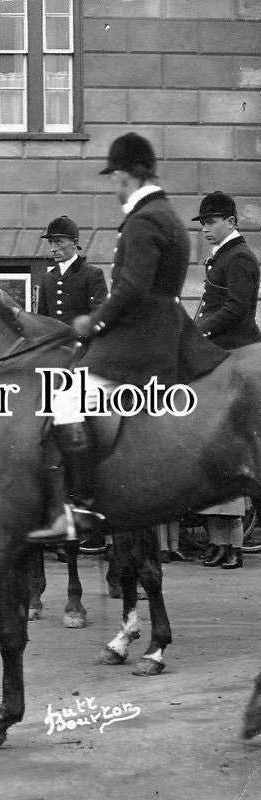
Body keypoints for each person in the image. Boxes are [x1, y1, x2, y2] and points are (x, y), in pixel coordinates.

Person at [29, 132, 228, 543]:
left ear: (125, 175)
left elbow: (131, 290)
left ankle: (80, 506)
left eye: (115, 177)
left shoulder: (144, 219)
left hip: (140, 340)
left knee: (65, 397)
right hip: (161, 330)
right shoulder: (165, 212)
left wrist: (93, 323)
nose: (114, 187)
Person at [192, 191, 259, 569]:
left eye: (212, 222)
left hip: (237, 354)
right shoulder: (223, 257)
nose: (205, 229)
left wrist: (199, 332)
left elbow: (236, 309)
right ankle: (220, 543)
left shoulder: (240, 258)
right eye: (203, 223)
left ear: (231, 222)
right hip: (222, 351)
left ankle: (233, 543)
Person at [36, 215, 108, 325]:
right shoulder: (47, 278)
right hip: (53, 341)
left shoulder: (92, 274)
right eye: (51, 242)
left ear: (75, 243)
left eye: (59, 242)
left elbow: (99, 315)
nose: (53, 249)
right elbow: (42, 320)